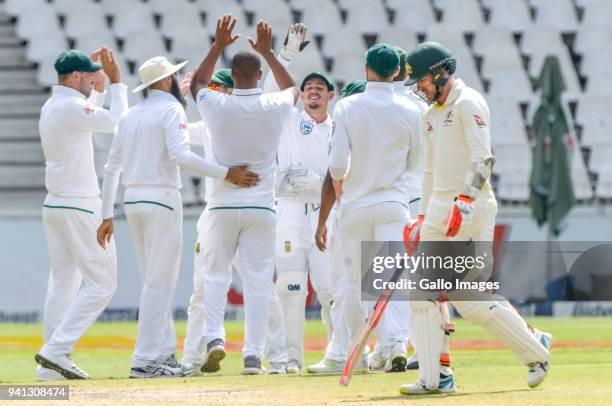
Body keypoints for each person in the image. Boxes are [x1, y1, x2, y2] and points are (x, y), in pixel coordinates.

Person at [399, 42, 550, 395]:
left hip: (472, 207)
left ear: (440, 72)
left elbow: (483, 159)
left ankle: (536, 352)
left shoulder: (469, 103)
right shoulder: (430, 115)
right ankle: (434, 378)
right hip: (438, 208)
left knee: (466, 297)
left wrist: (466, 198)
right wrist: (420, 216)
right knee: (421, 293)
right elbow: (429, 170)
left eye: (422, 80)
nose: (419, 88)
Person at [96, 55, 258, 378]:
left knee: (152, 282)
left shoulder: (129, 116)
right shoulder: (171, 109)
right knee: (160, 282)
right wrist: (226, 173)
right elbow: (181, 155)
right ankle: (144, 360)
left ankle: (163, 353)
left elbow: (112, 167)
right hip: (162, 200)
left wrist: (106, 214)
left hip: (133, 202)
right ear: (168, 80)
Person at [189, 14, 299, 375]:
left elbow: (198, 83)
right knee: (257, 282)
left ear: (233, 77)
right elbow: (293, 89)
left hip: (222, 204)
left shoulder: (218, 104)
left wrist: (217, 45)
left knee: (216, 275)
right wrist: (270, 55)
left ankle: (214, 338)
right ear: (256, 77)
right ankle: (253, 356)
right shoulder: (273, 105)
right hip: (261, 206)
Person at [315, 43, 422, 374]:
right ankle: (396, 345)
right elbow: (417, 162)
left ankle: (362, 347)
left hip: (356, 206)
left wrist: (343, 178)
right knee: (391, 277)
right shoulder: (411, 108)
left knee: (357, 282)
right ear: (397, 72)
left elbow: (336, 163)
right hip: (393, 202)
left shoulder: (347, 107)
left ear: (366, 69)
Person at [35, 47, 128, 380]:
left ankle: (50, 370)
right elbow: (115, 122)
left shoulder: (54, 105)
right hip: (78, 204)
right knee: (102, 284)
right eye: (89, 74)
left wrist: (101, 89)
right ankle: (56, 350)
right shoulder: (71, 105)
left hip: (56, 204)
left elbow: (90, 117)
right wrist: (117, 83)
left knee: (63, 284)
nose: (93, 76)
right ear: (74, 76)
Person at [261, 25, 349, 375]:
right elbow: (271, 92)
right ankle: (290, 360)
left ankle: (337, 354)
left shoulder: (340, 128)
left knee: (330, 290)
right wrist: (286, 55)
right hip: (290, 212)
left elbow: (343, 175)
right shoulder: (289, 120)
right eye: (307, 88)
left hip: (326, 214)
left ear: (330, 95)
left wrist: (320, 187)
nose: (312, 92)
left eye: (319, 88)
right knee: (291, 287)